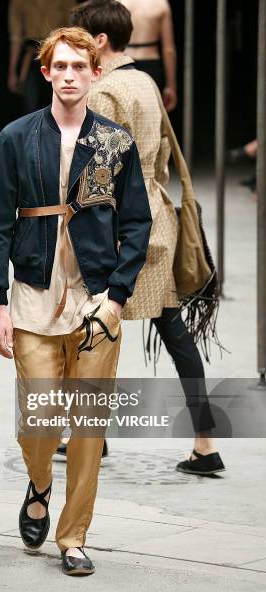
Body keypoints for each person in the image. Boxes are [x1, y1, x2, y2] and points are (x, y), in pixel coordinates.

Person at [0, 26, 152, 575]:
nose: (71, 75)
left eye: (81, 66)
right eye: (62, 67)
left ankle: (73, 536)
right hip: (33, 293)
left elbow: (137, 223)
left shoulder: (114, 142)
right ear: (47, 72)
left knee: (88, 425)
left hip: (95, 298)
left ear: (96, 73)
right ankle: (38, 481)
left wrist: (117, 298)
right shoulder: (15, 137)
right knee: (39, 417)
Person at [69, 0, 226, 476]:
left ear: (98, 42)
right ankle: (204, 442)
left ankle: (92, 439)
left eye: (79, 41)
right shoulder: (144, 81)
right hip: (156, 218)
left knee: (92, 328)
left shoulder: (104, 92)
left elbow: (100, 177)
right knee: (173, 332)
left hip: (118, 227)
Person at [8, 0, 77, 113]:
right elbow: (16, 38)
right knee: (30, 109)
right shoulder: (19, 2)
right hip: (32, 59)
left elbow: (74, 31)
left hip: (58, 57)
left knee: (60, 107)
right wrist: (12, 71)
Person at [117, 0, 177, 111]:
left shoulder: (119, 2)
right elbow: (168, 50)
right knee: (150, 116)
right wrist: (171, 86)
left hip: (123, 62)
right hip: (151, 66)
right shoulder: (161, 4)